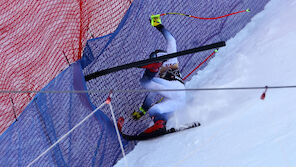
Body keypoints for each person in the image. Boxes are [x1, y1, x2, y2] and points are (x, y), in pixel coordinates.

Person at [132, 18, 186, 135]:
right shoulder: (161, 78)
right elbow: (151, 95)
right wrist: (143, 111)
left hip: (176, 88)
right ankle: (160, 124)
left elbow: (172, 40)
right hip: (179, 99)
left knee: (146, 82)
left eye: (155, 59)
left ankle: (152, 68)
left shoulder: (171, 58)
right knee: (155, 110)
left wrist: (158, 25)